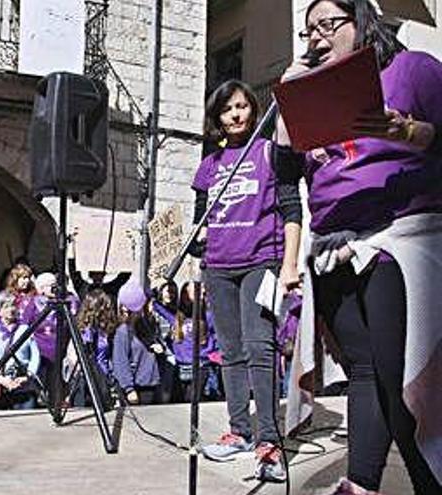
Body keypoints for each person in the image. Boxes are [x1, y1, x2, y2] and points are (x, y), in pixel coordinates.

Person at [277, 1, 442, 493]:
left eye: (329, 24)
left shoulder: (411, 69)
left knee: (398, 381)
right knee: (365, 373)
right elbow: (287, 178)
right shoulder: (311, 97)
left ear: (363, 21)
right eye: (309, 31)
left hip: (400, 235)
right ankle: (362, 483)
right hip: (335, 246)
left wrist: (406, 130)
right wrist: (288, 100)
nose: (317, 37)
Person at [188, 79, 288, 482]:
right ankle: (239, 432)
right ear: (217, 117)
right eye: (229, 108)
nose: (237, 114)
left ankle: (268, 440)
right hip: (219, 266)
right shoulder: (209, 166)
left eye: (244, 106)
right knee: (229, 351)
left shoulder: (268, 152)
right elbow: (201, 220)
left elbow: (288, 203)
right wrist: (197, 246)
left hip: (261, 260)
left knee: (259, 347)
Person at [0, 293, 41, 410]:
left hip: (23, 385)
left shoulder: (25, 329)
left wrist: (28, 376)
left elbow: (35, 356)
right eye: (6, 307)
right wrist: (0, 379)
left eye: (13, 306)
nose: (11, 309)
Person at [111, 279, 161, 406]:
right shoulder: (123, 331)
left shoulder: (144, 325)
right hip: (136, 387)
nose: (152, 307)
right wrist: (129, 389)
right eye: (149, 304)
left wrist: (158, 347)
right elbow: (120, 361)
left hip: (150, 383)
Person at [68, 289, 117, 408]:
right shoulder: (83, 330)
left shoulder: (107, 329)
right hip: (85, 379)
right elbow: (75, 356)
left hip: (105, 378)